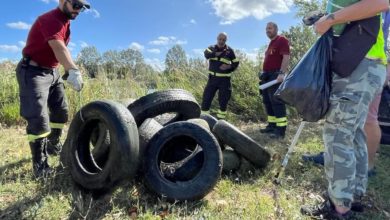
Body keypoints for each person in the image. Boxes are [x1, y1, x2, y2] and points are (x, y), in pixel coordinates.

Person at [300, 0, 389, 218]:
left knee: (338, 133)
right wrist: (326, 16)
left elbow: (381, 2)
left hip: (359, 64)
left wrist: (330, 20)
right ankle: (352, 196)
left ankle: (339, 208)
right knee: (353, 132)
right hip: (364, 64)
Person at [16, 0, 89, 179]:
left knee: (61, 111)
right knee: (38, 119)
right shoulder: (50, 19)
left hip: (52, 71)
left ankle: (53, 144)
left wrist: (64, 69)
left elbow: (59, 50)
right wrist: (73, 70)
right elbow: (58, 47)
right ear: (63, 1)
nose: (79, 10)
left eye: (83, 7)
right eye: (76, 5)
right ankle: (40, 165)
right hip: (33, 71)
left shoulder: (65, 22)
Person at [259, 22, 290, 138]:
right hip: (267, 76)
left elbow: (286, 57)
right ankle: (271, 126)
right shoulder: (271, 43)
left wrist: (281, 73)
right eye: (266, 28)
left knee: (276, 102)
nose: (268, 30)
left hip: (276, 75)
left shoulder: (281, 40)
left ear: (276, 29)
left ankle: (280, 130)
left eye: (270, 28)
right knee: (267, 101)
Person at [201, 32, 240, 119]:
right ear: (217, 38)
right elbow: (206, 54)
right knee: (206, 99)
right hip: (212, 79)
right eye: (220, 39)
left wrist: (229, 66)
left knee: (223, 101)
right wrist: (216, 53)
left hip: (225, 80)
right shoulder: (211, 48)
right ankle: (204, 119)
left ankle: (221, 121)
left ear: (226, 40)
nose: (221, 41)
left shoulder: (230, 51)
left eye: (223, 40)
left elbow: (236, 63)